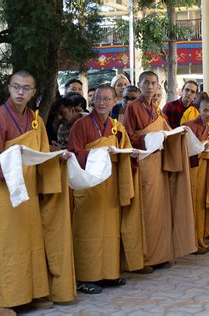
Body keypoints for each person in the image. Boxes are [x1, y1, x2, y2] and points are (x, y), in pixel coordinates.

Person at [0, 70, 75, 314]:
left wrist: (58, 157)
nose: (20, 92)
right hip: (5, 189)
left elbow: (41, 152)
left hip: (30, 188)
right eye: (16, 86)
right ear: (9, 87)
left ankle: (35, 293)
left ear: (33, 92)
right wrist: (11, 159)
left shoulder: (34, 120)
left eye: (26, 88)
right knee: (9, 244)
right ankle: (7, 301)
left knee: (32, 242)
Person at [69, 84, 144, 294]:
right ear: (93, 101)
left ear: (114, 101)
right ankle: (84, 277)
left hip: (110, 184)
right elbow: (73, 153)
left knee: (110, 231)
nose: (102, 102)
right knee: (88, 231)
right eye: (99, 98)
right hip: (89, 184)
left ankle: (108, 274)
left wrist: (130, 155)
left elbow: (124, 151)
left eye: (107, 99)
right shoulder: (81, 125)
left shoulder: (116, 126)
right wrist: (100, 152)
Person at [123, 71, 197, 269]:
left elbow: (165, 131)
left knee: (160, 209)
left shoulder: (155, 109)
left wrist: (177, 134)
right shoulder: (133, 108)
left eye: (153, 83)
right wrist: (153, 138)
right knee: (146, 209)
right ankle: (144, 258)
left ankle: (160, 254)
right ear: (139, 84)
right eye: (146, 82)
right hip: (144, 163)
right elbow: (129, 137)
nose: (149, 86)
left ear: (158, 87)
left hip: (159, 162)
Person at [184, 97, 209, 254]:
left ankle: (200, 238)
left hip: (205, 167)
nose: (208, 114)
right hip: (193, 169)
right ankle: (190, 242)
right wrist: (200, 148)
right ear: (199, 110)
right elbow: (184, 149)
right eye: (205, 110)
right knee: (192, 202)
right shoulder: (189, 126)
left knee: (202, 201)